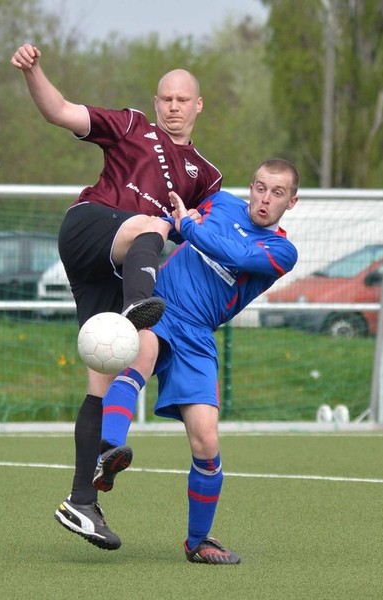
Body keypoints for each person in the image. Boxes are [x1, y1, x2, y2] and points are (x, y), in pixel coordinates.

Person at [10, 44, 223, 550]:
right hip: (90, 226)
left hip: (117, 268)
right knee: (152, 224)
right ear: (156, 102)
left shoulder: (207, 176)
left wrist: (196, 224)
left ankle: (82, 502)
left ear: (198, 105)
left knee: (101, 380)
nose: (173, 106)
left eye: (182, 99)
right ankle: (135, 309)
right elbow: (59, 111)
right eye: (166, 98)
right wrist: (34, 71)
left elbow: (212, 236)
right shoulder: (131, 125)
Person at [91, 158, 300, 564]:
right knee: (140, 358)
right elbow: (172, 223)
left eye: (277, 193)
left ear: (291, 202)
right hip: (160, 306)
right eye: (260, 187)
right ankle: (109, 451)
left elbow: (235, 254)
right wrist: (171, 223)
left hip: (198, 335)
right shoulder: (219, 203)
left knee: (206, 441)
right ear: (251, 187)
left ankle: (198, 542)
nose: (264, 198)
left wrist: (189, 226)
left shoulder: (281, 252)